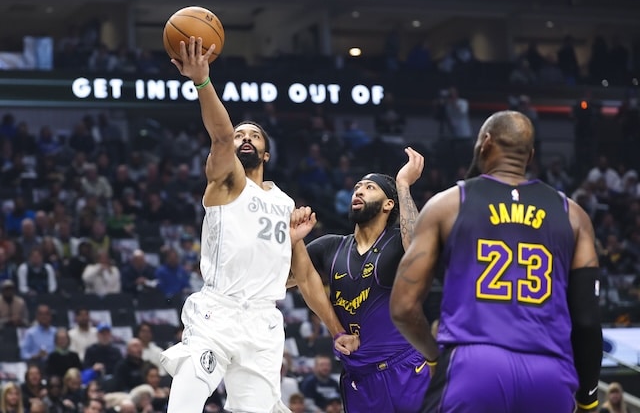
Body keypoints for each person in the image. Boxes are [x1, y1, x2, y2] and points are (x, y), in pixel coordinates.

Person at [159, 36, 358, 413]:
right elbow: (219, 135)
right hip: (217, 311)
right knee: (184, 403)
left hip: (264, 321)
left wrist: (337, 330)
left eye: (253, 136)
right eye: (239, 135)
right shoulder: (225, 181)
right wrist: (202, 81)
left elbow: (305, 277)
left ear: (266, 153)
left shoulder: (284, 204)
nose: (244, 138)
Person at [390, 111, 603, 413]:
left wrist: (434, 356)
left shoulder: (448, 204)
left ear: (485, 143)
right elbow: (587, 321)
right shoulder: (574, 215)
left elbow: (402, 307)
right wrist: (588, 398)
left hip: (473, 367)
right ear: (529, 156)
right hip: (550, 374)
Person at [290, 147, 430, 412]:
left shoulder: (398, 242)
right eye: (357, 187)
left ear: (389, 204)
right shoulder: (330, 246)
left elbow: (418, 249)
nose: (359, 191)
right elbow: (279, 280)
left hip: (406, 369)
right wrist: (293, 242)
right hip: (359, 378)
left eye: (369, 187)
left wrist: (402, 184)